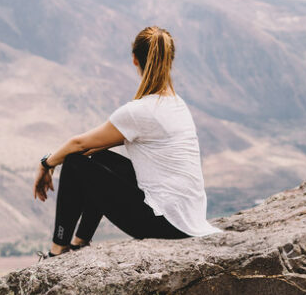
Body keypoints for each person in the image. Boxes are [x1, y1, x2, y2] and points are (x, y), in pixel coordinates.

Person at [33, 25, 220, 257]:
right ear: (170, 60)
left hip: (166, 225)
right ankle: (79, 243)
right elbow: (91, 148)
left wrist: (45, 164)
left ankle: (57, 252)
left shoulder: (140, 111)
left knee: (74, 162)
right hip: (188, 219)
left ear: (134, 59)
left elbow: (77, 145)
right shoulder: (176, 104)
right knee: (93, 159)